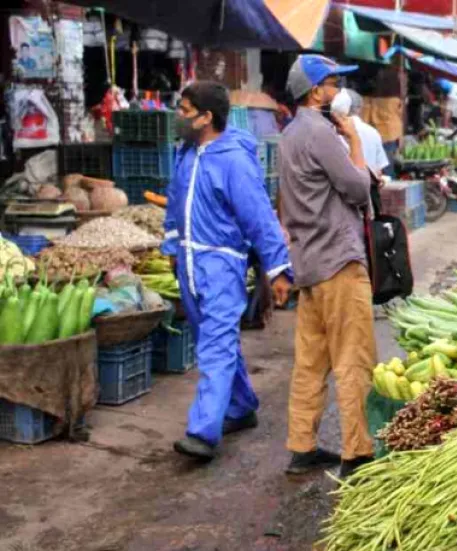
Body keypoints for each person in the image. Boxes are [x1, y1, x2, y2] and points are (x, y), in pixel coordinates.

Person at [163, 81, 292, 461]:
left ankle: (203, 432)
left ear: (206, 117)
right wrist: (172, 246)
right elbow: (175, 201)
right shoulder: (187, 152)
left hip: (221, 265)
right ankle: (240, 406)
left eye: (185, 110)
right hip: (189, 263)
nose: (179, 117)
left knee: (215, 345)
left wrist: (279, 268)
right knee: (214, 337)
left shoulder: (234, 161)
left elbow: (259, 218)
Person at [278, 55, 379, 478]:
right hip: (339, 262)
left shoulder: (288, 134)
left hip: (309, 263)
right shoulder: (321, 132)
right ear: (316, 91)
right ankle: (356, 453)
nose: (339, 92)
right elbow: (357, 187)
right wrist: (354, 139)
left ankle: (302, 446)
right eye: (334, 84)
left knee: (311, 361)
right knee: (353, 358)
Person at [346, 89, 391, 178]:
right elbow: (379, 170)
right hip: (370, 185)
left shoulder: (334, 131)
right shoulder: (373, 132)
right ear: (359, 109)